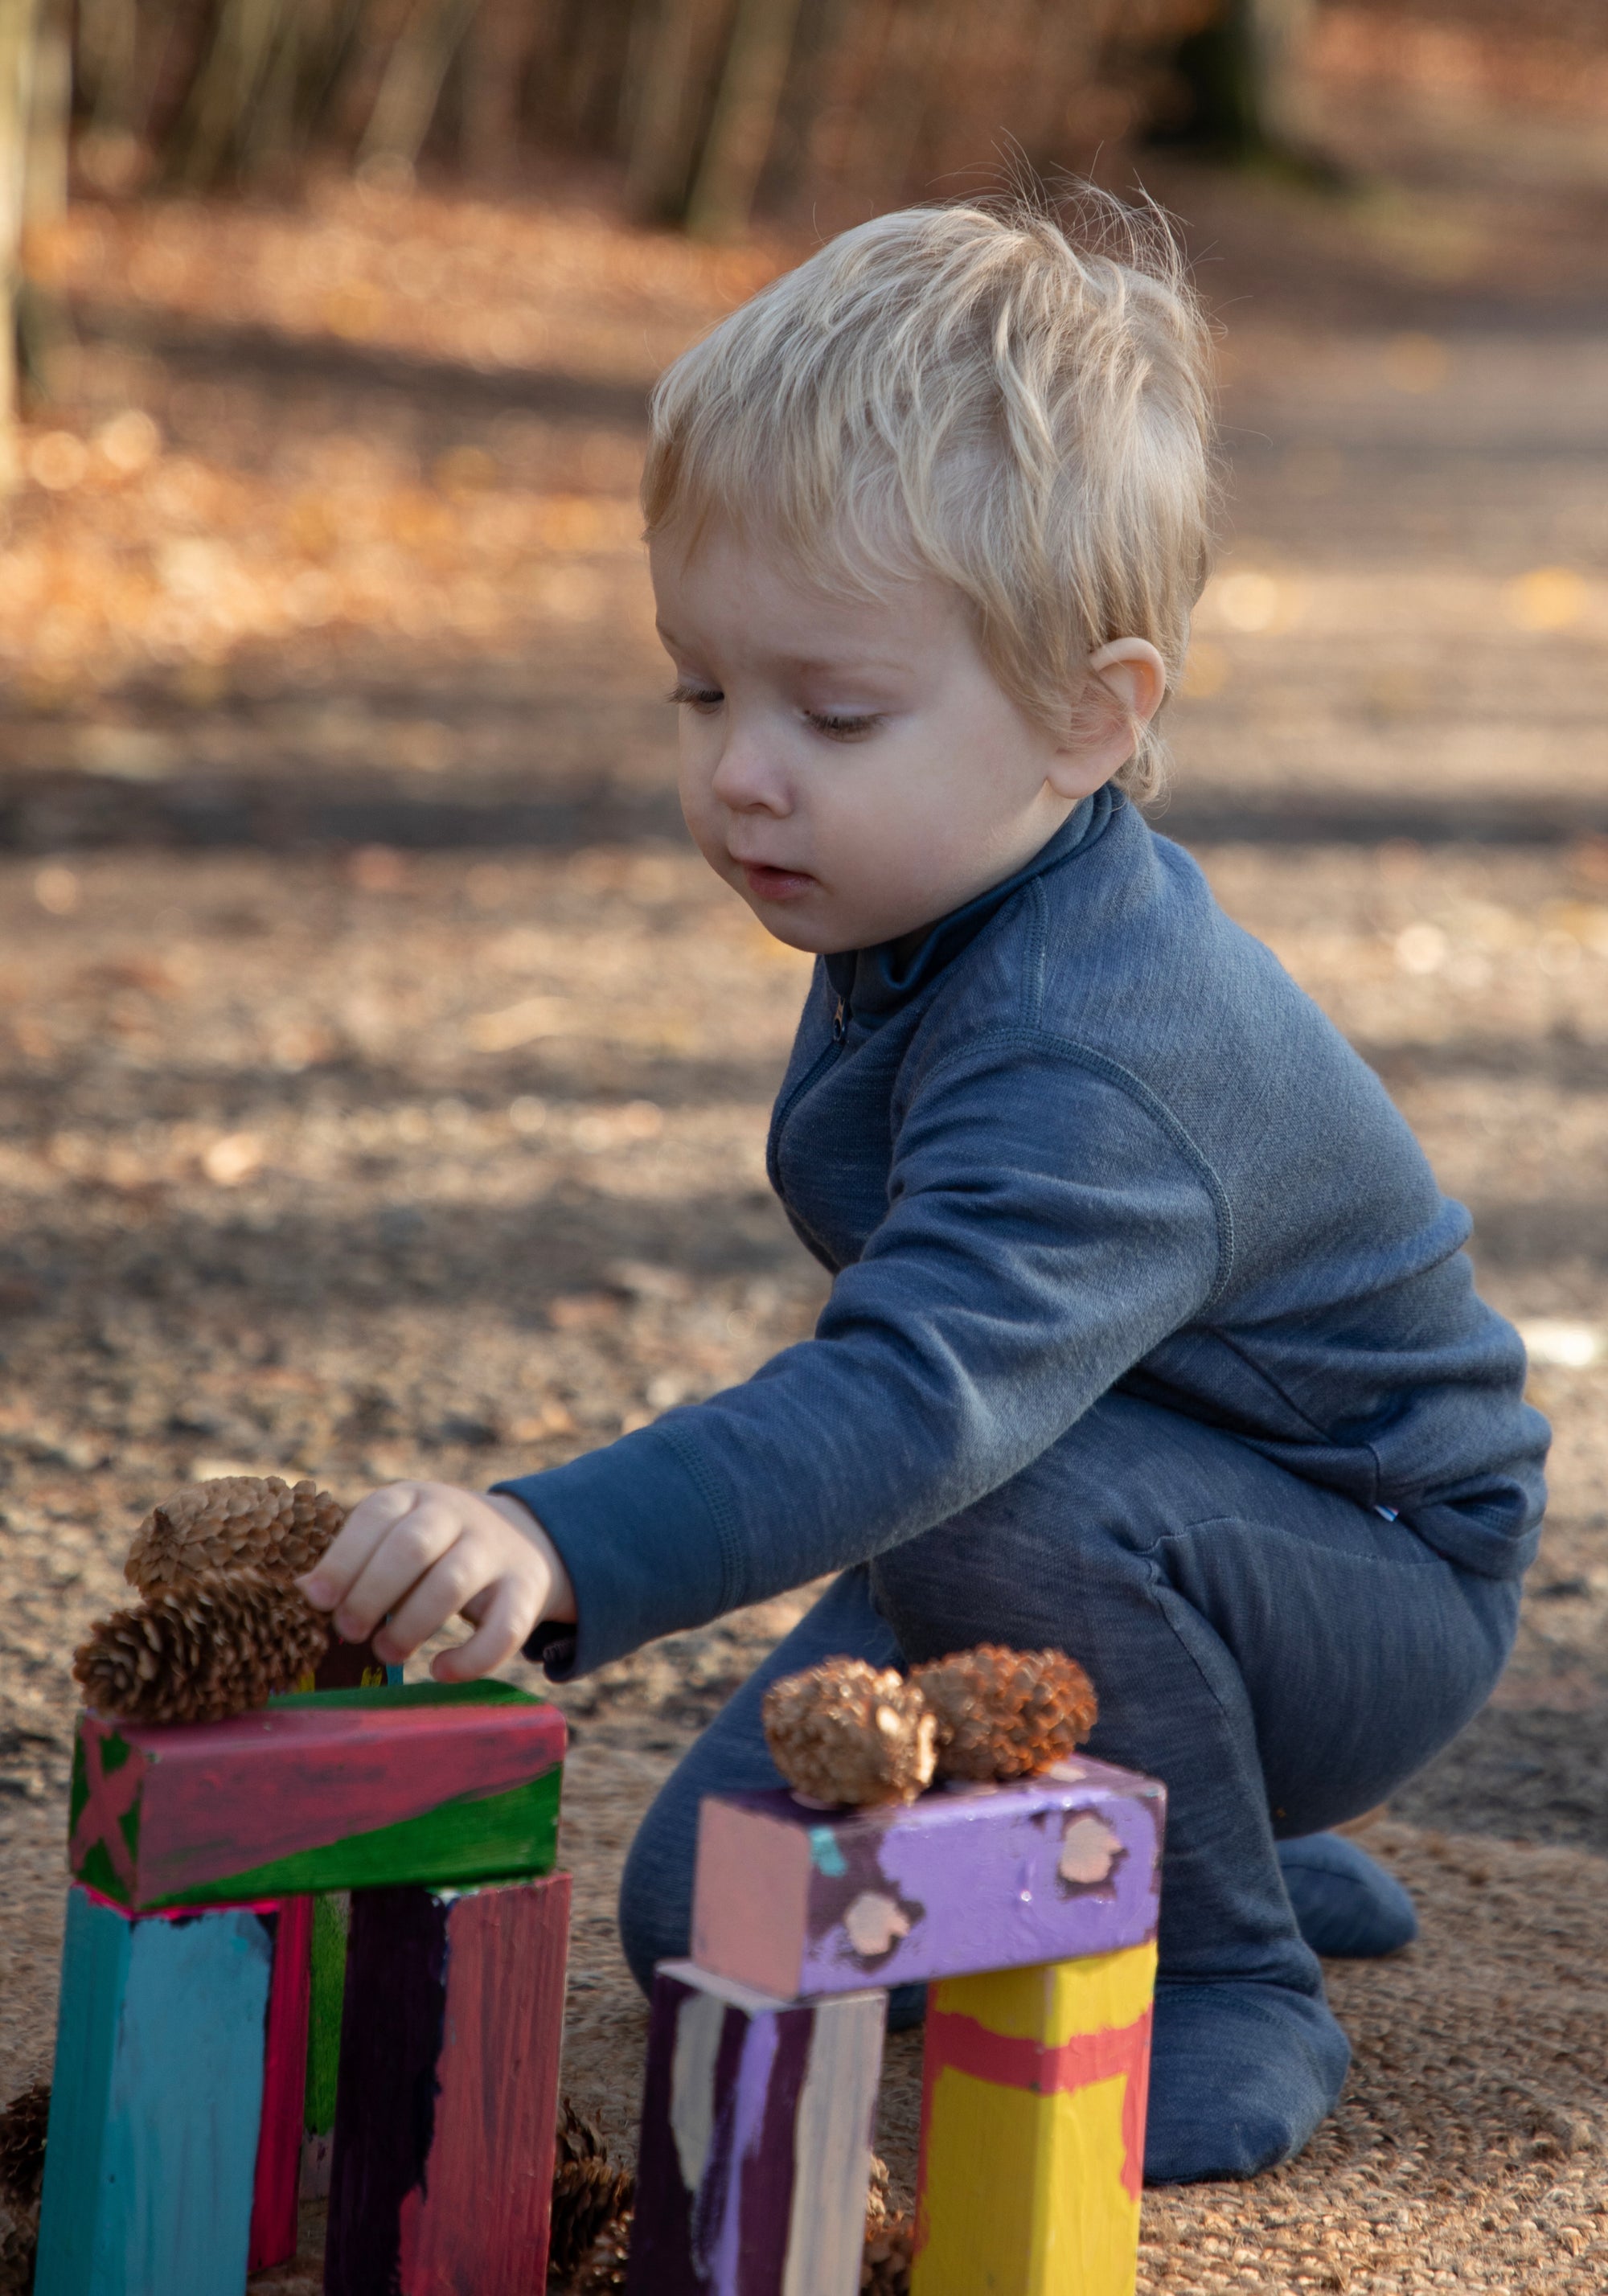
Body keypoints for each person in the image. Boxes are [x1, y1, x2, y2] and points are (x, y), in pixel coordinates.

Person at [297, 193, 1547, 2183]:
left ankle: (1227, 1961)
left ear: (1090, 720)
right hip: (1118, 1514)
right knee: (708, 1909)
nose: (741, 774)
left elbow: (919, 1406)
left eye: (833, 712)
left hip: (1370, 1568)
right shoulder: (935, 897)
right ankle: (1213, 1813)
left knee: (1005, 1486)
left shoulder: (1089, 1043)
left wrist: (560, 1541)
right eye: (699, 690)